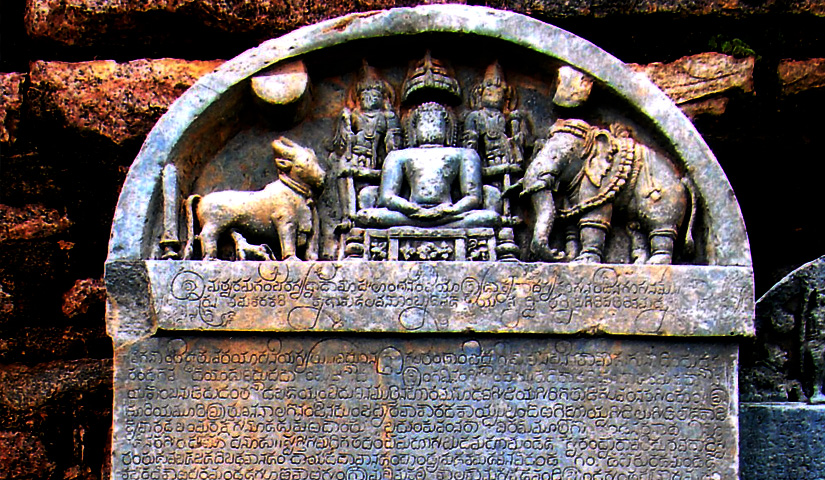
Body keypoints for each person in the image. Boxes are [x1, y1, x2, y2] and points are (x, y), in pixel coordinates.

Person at [354, 101, 501, 228]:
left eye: (437, 123)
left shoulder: (464, 154)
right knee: (366, 215)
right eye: (424, 122)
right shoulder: (398, 155)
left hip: (450, 214)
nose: (431, 127)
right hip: (408, 215)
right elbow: (387, 197)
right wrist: (412, 209)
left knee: (490, 218)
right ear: (414, 130)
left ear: (447, 129)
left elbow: (473, 197)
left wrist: (451, 210)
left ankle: (435, 224)